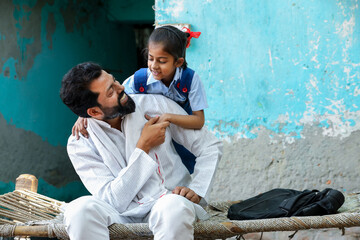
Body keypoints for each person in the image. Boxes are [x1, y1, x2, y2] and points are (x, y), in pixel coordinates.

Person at [59, 62, 222, 240]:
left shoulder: (153, 105)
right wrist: (143, 146)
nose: (121, 88)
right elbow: (113, 201)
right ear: (94, 112)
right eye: (111, 92)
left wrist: (197, 189)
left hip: (168, 200)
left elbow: (209, 146)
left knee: (172, 208)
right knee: (79, 211)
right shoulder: (80, 143)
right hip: (121, 215)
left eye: (114, 81)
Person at [72, 25, 205, 173]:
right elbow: (107, 98)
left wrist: (168, 116)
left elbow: (199, 121)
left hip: (181, 126)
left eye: (162, 61)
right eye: (150, 58)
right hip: (155, 130)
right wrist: (82, 115)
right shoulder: (139, 79)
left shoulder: (190, 80)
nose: (154, 66)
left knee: (187, 165)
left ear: (178, 62)